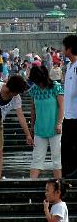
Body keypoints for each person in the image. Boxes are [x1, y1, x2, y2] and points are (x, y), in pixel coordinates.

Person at [29, 65, 64, 179]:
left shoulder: (56, 87)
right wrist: (32, 127)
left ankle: (58, 186)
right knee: (37, 158)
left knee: (57, 158)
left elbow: (62, 107)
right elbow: (33, 109)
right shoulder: (34, 89)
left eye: (38, 81)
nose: (37, 84)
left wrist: (59, 123)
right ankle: (31, 185)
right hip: (39, 129)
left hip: (55, 128)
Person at [61, 35, 77, 177]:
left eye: (64, 46)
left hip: (76, 116)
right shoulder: (69, 66)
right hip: (68, 115)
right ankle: (67, 175)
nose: (62, 50)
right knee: (66, 149)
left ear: (69, 48)